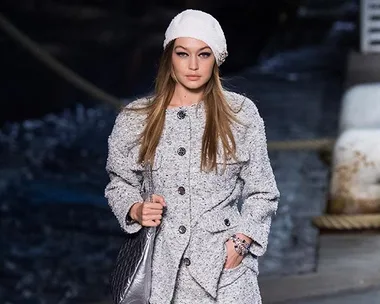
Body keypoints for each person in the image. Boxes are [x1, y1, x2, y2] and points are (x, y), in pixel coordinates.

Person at [104, 8, 280, 304]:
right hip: (160, 276)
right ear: (169, 57)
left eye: (204, 54)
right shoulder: (136, 118)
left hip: (225, 275)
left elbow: (263, 191)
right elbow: (119, 183)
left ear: (216, 60)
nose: (193, 65)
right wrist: (135, 209)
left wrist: (240, 243)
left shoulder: (240, 114)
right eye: (183, 54)